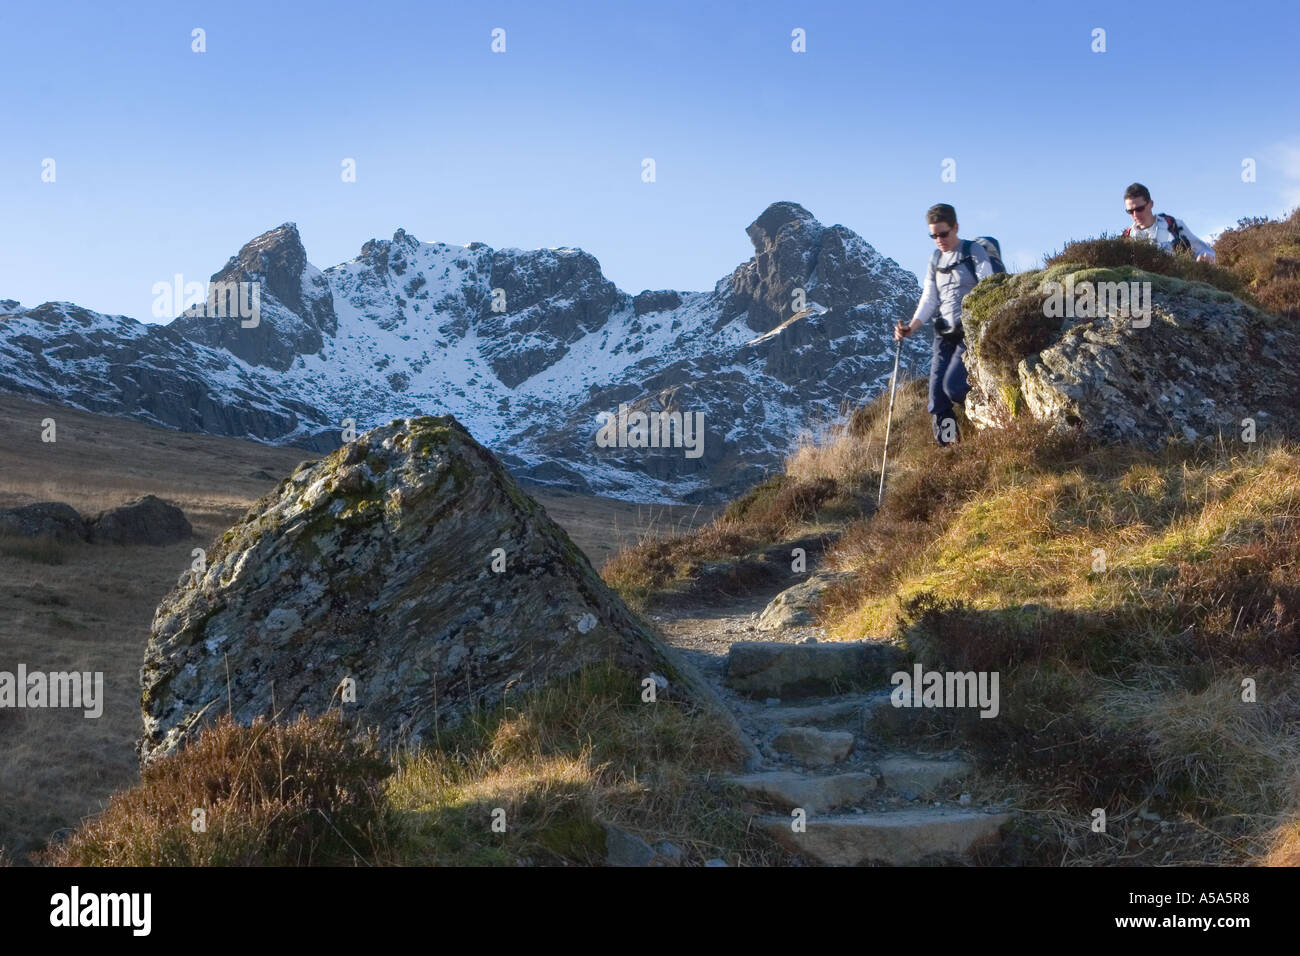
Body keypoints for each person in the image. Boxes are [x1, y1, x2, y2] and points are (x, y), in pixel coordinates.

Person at [894, 203, 993, 446]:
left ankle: (990, 413)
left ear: (955, 227)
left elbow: (989, 286)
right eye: (934, 235)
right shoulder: (935, 259)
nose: (939, 239)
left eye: (943, 233)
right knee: (937, 398)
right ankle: (950, 450)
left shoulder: (973, 252)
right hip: (944, 335)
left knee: (954, 388)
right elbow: (929, 298)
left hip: (968, 333)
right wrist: (911, 327)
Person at [1121, 183, 1216, 262]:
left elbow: (1205, 252)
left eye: (1139, 209)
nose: (1135, 214)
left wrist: (1205, 258)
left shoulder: (1174, 225)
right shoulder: (1127, 237)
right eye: (1130, 211)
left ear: (1151, 204)